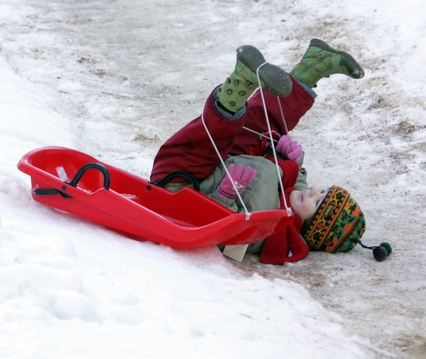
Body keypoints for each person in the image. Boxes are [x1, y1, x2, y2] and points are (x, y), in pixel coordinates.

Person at [150, 40, 378, 264]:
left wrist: (225, 196)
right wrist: (291, 157)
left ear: (313, 226)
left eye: (317, 202)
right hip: (225, 162)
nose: (313, 192)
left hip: (179, 188)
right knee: (264, 130)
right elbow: (296, 176)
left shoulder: (271, 233)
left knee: (208, 144)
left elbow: (225, 239)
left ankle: (237, 85)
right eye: (323, 190)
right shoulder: (295, 189)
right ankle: (313, 66)